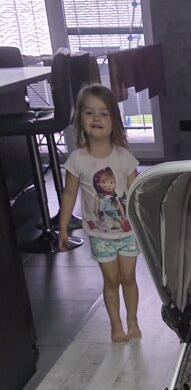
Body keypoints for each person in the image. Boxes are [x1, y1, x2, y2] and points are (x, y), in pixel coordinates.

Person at [59, 85, 141, 342]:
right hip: (100, 235)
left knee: (128, 278)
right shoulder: (77, 160)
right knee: (111, 280)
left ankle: (132, 321)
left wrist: (148, 225)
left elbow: (138, 195)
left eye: (104, 113)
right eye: (89, 112)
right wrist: (63, 227)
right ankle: (116, 325)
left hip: (128, 233)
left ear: (114, 120)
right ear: (80, 120)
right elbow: (69, 194)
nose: (96, 118)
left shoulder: (124, 158)